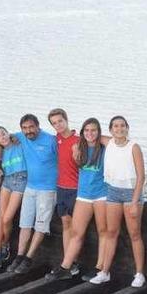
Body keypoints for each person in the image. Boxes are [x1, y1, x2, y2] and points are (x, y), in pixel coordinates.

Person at [45, 118, 107, 280]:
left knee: (103, 231)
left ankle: (100, 267)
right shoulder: (80, 147)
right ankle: (65, 266)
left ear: (99, 132)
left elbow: (116, 140)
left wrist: (100, 138)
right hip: (83, 195)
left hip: (101, 194)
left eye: (93, 130)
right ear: (82, 132)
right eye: (86, 130)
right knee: (76, 232)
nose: (90, 133)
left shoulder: (105, 148)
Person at [94, 116, 146, 286]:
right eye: (115, 126)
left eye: (122, 126)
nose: (119, 129)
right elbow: (88, 133)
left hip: (131, 193)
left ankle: (139, 274)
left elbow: (141, 176)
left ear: (127, 128)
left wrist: (134, 201)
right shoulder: (108, 142)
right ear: (110, 129)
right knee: (111, 232)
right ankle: (104, 272)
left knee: (135, 234)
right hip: (113, 192)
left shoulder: (134, 147)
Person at [5, 114, 57, 274]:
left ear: (38, 126)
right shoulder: (20, 137)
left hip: (47, 190)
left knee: (41, 225)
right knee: (25, 224)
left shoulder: (50, 140)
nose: (28, 131)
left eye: (31, 127)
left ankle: (28, 258)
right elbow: (2, 137)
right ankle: (19, 256)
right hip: (30, 187)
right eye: (25, 128)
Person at [48, 108, 81, 276]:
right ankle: (68, 262)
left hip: (76, 189)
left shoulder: (79, 140)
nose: (58, 125)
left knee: (76, 228)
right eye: (54, 123)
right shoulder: (55, 140)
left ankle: (71, 263)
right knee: (66, 224)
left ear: (66, 120)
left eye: (60, 121)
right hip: (61, 188)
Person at [0, 126, 26, 268]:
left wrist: (13, 135)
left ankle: (5, 243)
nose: (2, 137)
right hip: (7, 181)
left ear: (8, 132)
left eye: (3, 133)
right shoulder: (1, 152)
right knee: (1, 216)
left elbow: (27, 132)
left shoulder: (19, 141)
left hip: (21, 180)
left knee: (7, 218)